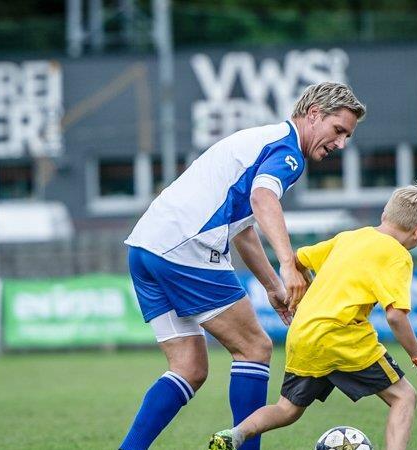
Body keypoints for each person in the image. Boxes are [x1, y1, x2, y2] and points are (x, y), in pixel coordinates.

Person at [118, 82, 366, 450]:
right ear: (314, 115)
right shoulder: (287, 151)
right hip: (185, 248)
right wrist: (287, 264)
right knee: (255, 347)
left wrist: (271, 286)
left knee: (189, 368)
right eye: (338, 131)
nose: (340, 143)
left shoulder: (260, 140)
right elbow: (263, 197)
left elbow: (243, 230)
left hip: (145, 247)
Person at [209, 183, 417, 450]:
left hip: (304, 333)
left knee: (287, 409)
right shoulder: (397, 255)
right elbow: (396, 317)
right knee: (404, 397)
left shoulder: (348, 237)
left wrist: (307, 286)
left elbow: (296, 260)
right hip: (343, 336)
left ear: (385, 214)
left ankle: (235, 433)